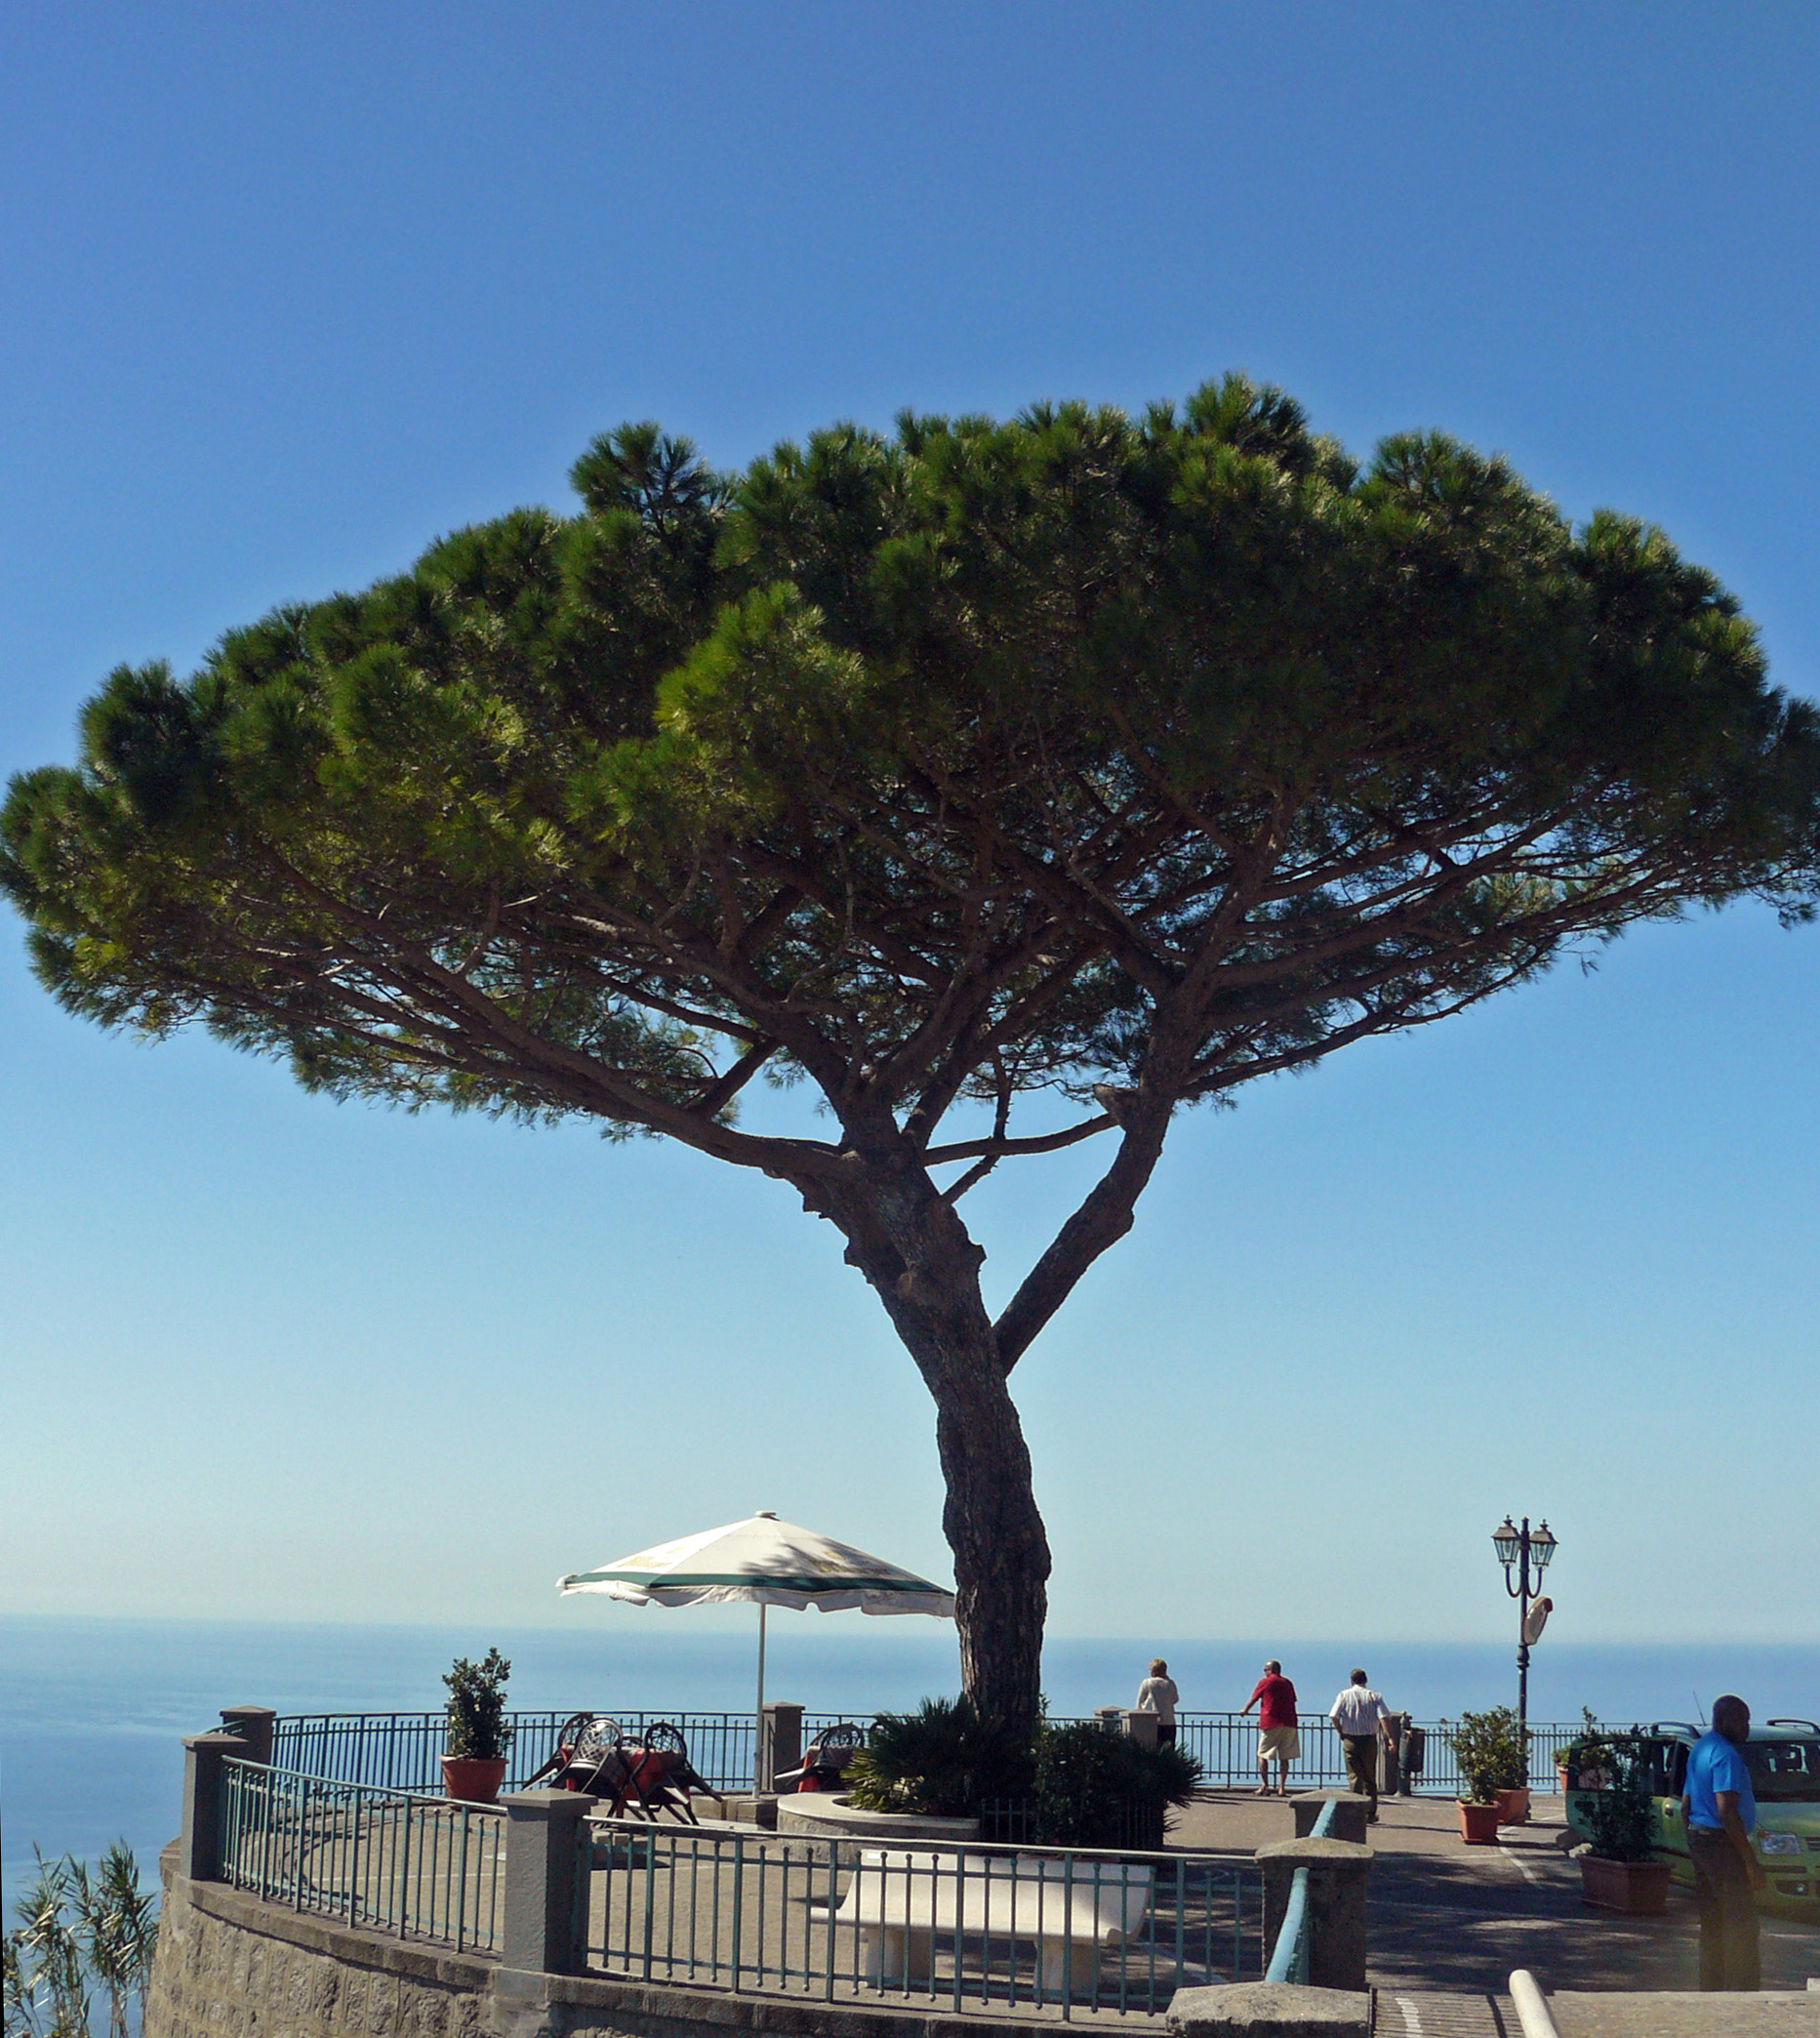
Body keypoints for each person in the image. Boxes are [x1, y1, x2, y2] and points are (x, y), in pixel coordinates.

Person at [1682, 1693, 1761, 1991]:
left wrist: (1692, 1843)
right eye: (1742, 1720)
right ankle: (1744, 1989)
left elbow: (1685, 1804)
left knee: (1712, 1921)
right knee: (1741, 1922)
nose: (1747, 1727)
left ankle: (1711, 1986)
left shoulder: (1701, 1748)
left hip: (1700, 1839)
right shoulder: (1726, 1754)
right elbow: (1726, 1809)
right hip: (1721, 1844)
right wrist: (1750, 1861)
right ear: (1724, 1720)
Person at [1329, 1669, 1390, 1822]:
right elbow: (1384, 1717)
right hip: (1369, 1739)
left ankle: (1354, 1813)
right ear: (1366, 1680)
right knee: (1369, 1777)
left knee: (1354, 1777)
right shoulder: (1375, 1696)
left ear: (1351, 1681)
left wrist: (1340, 1731)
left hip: (1350, 1739)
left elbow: (1333, 1715)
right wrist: (1390, 1738)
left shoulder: (1344, 1695)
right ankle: (1369, 1813)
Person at [1239, 1658, 1300, 1796]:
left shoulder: (1265, 1681)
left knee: (1262, 1754)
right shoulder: (1287, 1683)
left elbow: (1254, 1698)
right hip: (1289, 1722)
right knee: (1285, 1757)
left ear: (1270, 1670)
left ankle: (1265, 1786)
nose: (1264, 1672)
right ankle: (1282, 1788)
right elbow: (1293, 1700)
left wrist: (1244, 1710)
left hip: (1271, 1722)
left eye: (1265, 1670)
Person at [1134, 1658, 1180, 1746]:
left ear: (1152, 1671)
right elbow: (1175, 1699)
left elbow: (1139, 1702)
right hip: (1169, 1722)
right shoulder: (1170, 1683)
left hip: (1151, 1722)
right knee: (1168, 1752)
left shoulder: (1147, 1683)